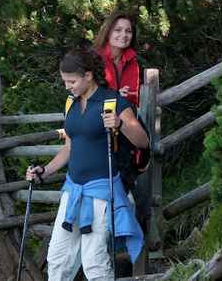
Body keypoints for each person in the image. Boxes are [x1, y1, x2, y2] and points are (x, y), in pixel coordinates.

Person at [26, 48, 147, 281]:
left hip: (101, 191)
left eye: (71, 81)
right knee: (58, 258)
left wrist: (120, 125)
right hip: (72, 191)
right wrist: (45, 171)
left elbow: (142, 140)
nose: (67, 86)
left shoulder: (112, 101)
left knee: (95, 261)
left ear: (88, 75)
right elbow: (70, 148)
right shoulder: (71, 103)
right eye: (65, 81)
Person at [93, 11, 140, 107]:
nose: (124, 35)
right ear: (107, 32)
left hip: (125, 114)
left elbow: (134, 95)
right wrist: (116, 95)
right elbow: (87, 94)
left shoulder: (132, 60)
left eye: (128, 31)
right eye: (118, 30)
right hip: (96, 115)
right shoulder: (94, 59)